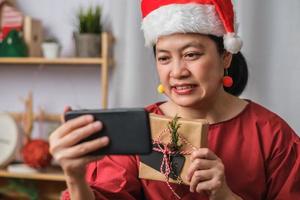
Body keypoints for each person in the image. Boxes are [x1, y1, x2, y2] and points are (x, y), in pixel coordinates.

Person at [49, 0, 300, 199]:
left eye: (191, 54)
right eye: (164, 58)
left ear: (226, 57)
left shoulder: (272, 135)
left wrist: (225, 197)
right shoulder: (139, 128)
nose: (177, 71)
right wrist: (75, 177)